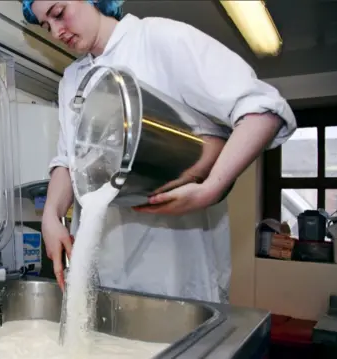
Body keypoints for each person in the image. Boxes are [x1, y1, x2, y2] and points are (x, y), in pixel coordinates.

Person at [23, 0, 297, 303]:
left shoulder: (159, 39)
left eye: (58, 13)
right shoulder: (72, 80)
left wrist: (210, 188)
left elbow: (264, 110)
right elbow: (69, 160)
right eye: (46, 26)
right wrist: (51, 214)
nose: (57, 31)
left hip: (176, 267)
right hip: (102, 267)